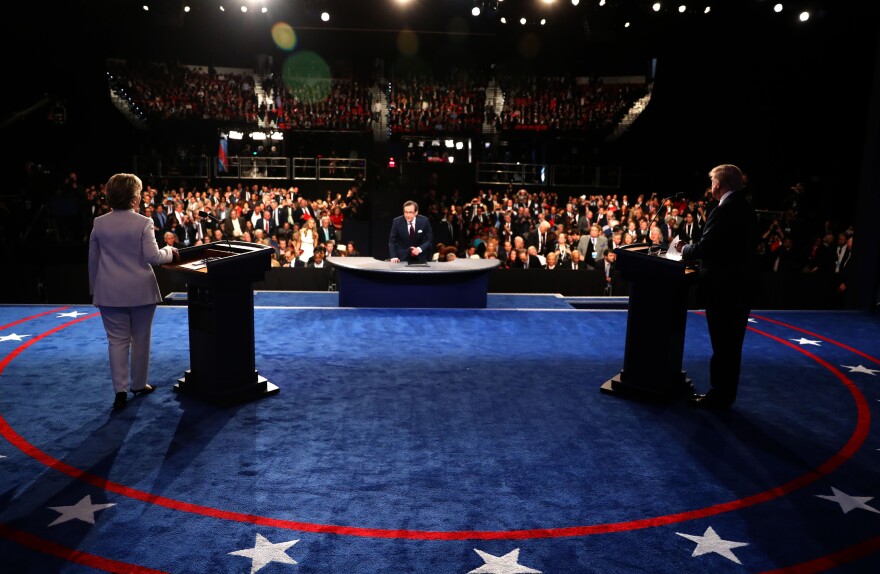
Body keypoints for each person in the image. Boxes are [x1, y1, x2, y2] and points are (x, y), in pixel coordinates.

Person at [88, 173, 179, 412]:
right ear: (134, 198)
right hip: (140, 291)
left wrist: (94, 289)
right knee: (141, 339)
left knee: (116, 342)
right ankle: (139, 385)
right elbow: (153, 257)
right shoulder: (143, 222)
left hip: (108, 292)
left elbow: (93, 261)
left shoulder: (99, 223)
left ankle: (120, 391)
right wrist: (171, 250)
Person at [674, 164, 758, 409]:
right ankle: (724, 394)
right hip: (741, 286)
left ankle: (719, 396)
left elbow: (706, 247)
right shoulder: (747, 208)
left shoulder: (725, 209)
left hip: (724, 289)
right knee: (732, 345)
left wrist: (683, 250)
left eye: (712, 182)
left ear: (718, 185)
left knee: (723, 344)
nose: (711, 187)